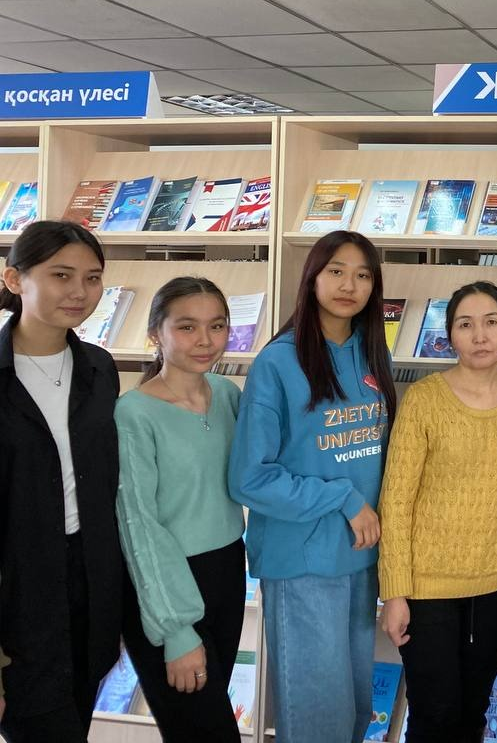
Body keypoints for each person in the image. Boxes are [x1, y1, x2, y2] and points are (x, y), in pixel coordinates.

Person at [229, 231, 397, 743]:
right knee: (317, 719)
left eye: (363, 275)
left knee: (356, 712)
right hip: (302, 561)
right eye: (337, 271)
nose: (349, 285)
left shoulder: (372, 355)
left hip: (361, 559)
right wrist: (343, 498)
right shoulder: (278, 362)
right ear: (312, 278)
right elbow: (250, 477)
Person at [378, 281, 497, 743]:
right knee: (434, 713)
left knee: (473, 710)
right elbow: (396, 498)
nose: (480, 336)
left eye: (492, 322)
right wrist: (394, 592)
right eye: (466, 325)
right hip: (426, 586)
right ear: (450, 335)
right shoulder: (424, 399)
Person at [0, 221, 124, 743]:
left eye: (92, 278)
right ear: (14, 279)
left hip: (91, 584)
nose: (80, 292)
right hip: (18, 593)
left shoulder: (99, 368)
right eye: (61, 275)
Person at [115, 277, 246, 742]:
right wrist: (175, 629)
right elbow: (138, 525)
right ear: (156, 333)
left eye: (217, 325)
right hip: (165, 584)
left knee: (201, 725)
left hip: (227, 571)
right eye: (187, 327)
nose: (205, 340)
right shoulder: (132, 413)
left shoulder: (227, 394)